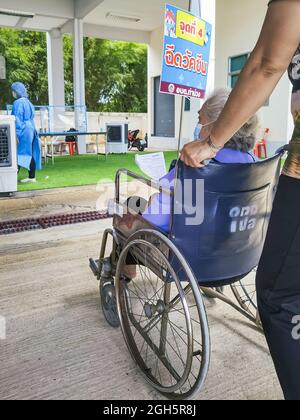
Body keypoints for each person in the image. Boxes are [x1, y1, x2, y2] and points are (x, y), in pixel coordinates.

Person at [180, 0, 300, 400]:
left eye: (202, 118)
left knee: (279, 298)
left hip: (198, 255)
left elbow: (267, 62)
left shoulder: (198, 169)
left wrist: (208, 143)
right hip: (239, 253)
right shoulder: (255, 163)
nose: (199, 124)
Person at [143, 89, 259, 232]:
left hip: (187, 250)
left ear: (215, 127)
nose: (197, 127)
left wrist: (154, 199)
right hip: (238, 249)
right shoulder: (255, 164)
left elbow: (152, 221)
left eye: (200, 120)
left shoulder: (192, 165)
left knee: (134, 205)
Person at [11, 82, 41, 183]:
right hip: (31, 129)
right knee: (28, 153)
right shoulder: (29, 102)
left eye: (14, 91)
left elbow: (17, 119)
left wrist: (16, 134)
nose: (13, 93)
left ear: (17, 91)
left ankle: (12, 178)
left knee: (18, 153)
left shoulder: (18, 103)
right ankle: (32, 177)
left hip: (23, 130)